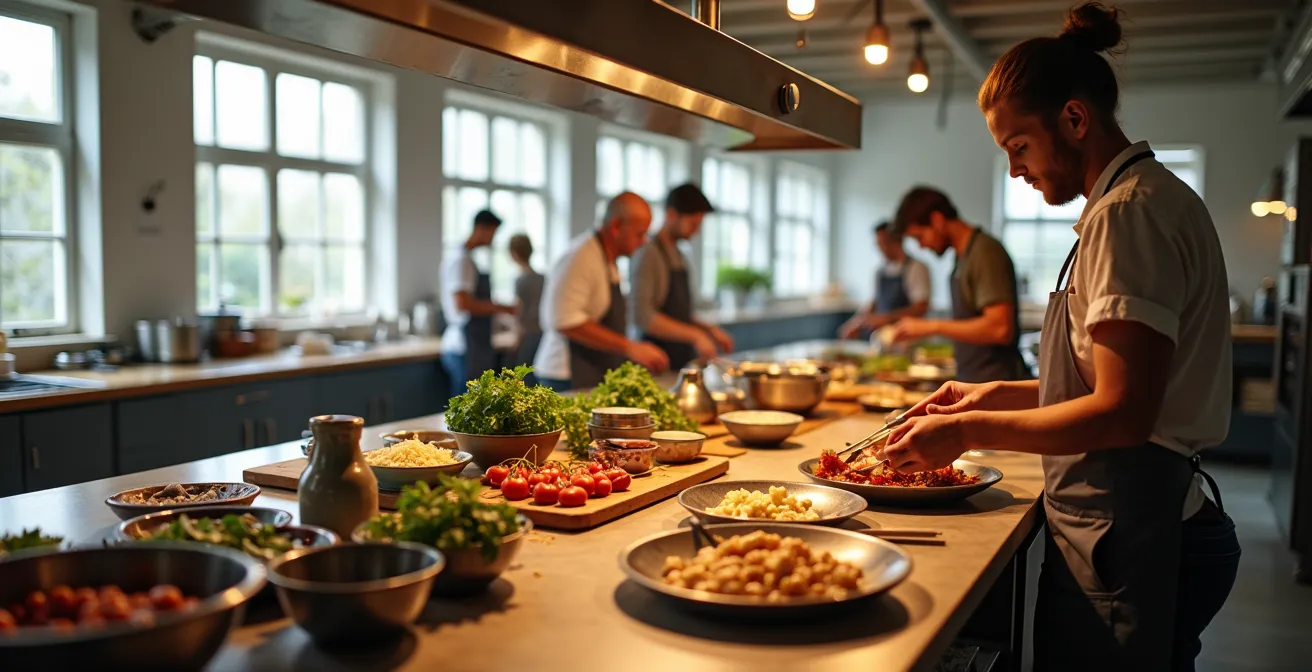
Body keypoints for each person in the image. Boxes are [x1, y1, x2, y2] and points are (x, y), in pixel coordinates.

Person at [881, 4, 1239, 670]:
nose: (1015, 170)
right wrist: (990, 395)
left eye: (1018, 146)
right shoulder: (1131, 201)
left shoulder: (1128, 215)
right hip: (1126, 522)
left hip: (1135, 528)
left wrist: (968, 431)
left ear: (1074, 119)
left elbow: (1124, 413)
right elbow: (1107, 381)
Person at [888, 187, 1030, 382]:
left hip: (996, 383)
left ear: (937, 220)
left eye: (920, 237)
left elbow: (1000, 328)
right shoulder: (961, 256)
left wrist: (931, 326)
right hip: (974, 380)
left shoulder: (985, 252)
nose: (921, 246)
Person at [534, 192, 670, 391]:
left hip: (591, 371)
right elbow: (564, 321)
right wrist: (630, 347)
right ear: (616, 226)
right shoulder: (581, 258)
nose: (643, 242)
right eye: (639, 234)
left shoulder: (607, 258)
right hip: (565, 376)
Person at [631, 183, 735, 370]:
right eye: (693, 224)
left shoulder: (679, 255)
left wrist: (708, 330)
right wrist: (695, 335)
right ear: (672, 215)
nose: (697, 231)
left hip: (680, 361)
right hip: (657, 362)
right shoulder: (648, 253)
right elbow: (642, 316)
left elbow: (678, 314)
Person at [440, 209, 516, 398]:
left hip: (473, 344)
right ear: (481, 228)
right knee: (466, 404)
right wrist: (500, 307)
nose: (493, 239)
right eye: (493, 233)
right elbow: (463, 304)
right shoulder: (461, 261)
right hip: (464, 345)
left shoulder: (465, 259)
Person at [838, 221, 931, 339]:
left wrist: (886, 318)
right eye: (878, 244)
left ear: (898, 241)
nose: (881, 249)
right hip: (882, 338)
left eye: (884, 243)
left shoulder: (916, 268)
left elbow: (920, 308)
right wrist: (855, 323)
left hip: (907, 338)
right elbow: (874, 302)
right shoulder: (880, 272)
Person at [508, 233, 545, 373]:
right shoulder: (542, 278)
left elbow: (519, 312)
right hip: (543, 333)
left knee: (523, 375)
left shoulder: (520, 281)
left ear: (514, 254)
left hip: (528, 335)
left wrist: (517, 340)